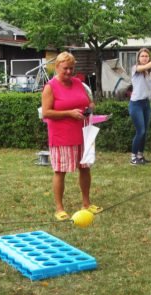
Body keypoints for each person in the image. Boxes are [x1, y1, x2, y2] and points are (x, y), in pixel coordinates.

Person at [41, 51, 102, 221]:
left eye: (72, 69)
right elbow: (46, 112)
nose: (69, 72)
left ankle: (86, 203)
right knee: (60, 171)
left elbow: (89, 101)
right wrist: (69, 113)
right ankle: (59, 208)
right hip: (62, 136)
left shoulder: (78, 83)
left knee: (85, 168)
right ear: (57, 67)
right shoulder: (50, 87)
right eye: (65, 69)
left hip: (83, 133)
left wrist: (90, 108)